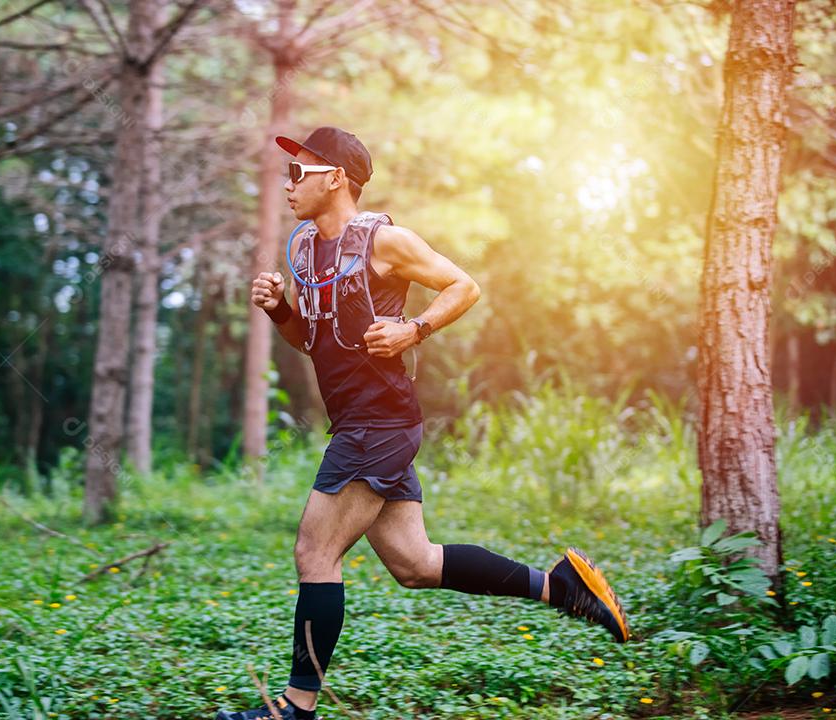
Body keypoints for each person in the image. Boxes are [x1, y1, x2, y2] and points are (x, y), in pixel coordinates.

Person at [216, 126, 631, 720]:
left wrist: (415, 329)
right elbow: (312, 340)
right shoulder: (304, 247)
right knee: (416, 564)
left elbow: (465, 285)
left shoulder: (387, 241)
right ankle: (560, 587)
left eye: (297, 173)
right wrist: (280, 307)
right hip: (357, 420)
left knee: (315, 553)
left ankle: (295, 708)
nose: (287, 185)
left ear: (336, 178)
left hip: (379, 422)